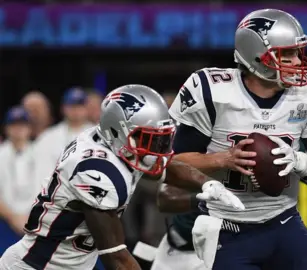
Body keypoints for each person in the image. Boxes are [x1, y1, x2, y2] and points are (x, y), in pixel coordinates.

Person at [168, 9, 307, 270]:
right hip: (226, 226)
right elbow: (172, 167)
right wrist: (224, 158)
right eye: (287, 54)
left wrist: (300, 161)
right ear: (257, 56)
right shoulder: (212, 91)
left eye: (297, 52)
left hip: (283, 220)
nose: (297, 61)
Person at [0, 85, 244, 270]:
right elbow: (115, 256)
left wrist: (207, 184)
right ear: (118, 131)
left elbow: (167, 165)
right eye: (151, 139)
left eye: (161, 138)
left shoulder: (117, 144)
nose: (158, 149)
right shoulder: (97, 171)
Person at [32, 88, 94, 186]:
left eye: (79, 106)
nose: (76, 110)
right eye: (72, 106)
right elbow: (41, 172)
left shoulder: (99, 135)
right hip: (56, 193)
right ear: (63, 108)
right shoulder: (48, 137)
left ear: (87, 108)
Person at [0, 106, 35, 254]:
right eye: (14, 125)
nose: (18, 129)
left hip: (35, 222)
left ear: (29, 128)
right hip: (4, 222)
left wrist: (31, 217)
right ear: (6, 128)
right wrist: (12, 217)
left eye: (22, 124)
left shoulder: (41, 152)